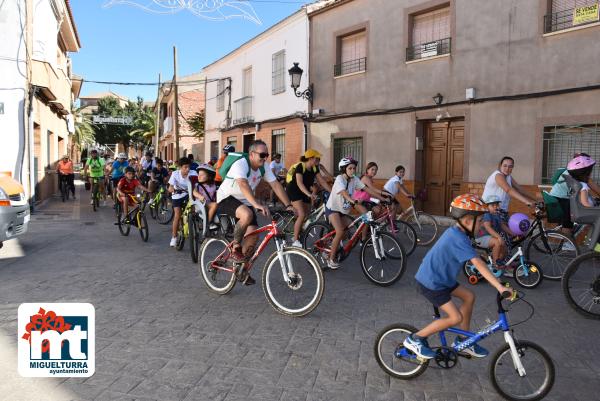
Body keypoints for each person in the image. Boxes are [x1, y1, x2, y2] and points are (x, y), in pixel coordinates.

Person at [402, 194, 513, 360]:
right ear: (468, 221)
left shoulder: (461, 234)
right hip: (431, 282)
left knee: (469, 296)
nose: (482, 224)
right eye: (481, 220)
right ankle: (415, 339)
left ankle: (464, 340)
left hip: (443, 280)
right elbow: (479, 265)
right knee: (455, 317)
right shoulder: (457, 238)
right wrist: (499, 287)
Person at [216, 140, 294, 285]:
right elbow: (243, 184)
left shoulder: (263, 167)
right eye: (262, 154)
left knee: (253, 236)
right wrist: (256, 204)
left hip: (245, 201)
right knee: (247, 214)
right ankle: (235, 249)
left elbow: (275, 185)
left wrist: (288, 205)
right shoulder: (241, 164)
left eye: (267, 154)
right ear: (252, 154)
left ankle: (241, 269)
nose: (265, 158)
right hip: (227, 197)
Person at [325, 157, 387, 270]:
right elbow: (343, 192)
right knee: (340, 231)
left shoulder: (354, 179)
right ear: (344, 169)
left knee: (347, 232)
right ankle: (330, 259)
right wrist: (352, 200)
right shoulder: (340, 178)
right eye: (350, 168)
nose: (353, 170)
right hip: (333, 209)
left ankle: (332, 243)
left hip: (343, 211)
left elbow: (368, 190)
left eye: (354, 168)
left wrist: (382, 199)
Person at [285, 149, 332, 247]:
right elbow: (299, 183)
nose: (318, 160)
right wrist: (309, 194)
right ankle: (295, 239)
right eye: (317, 158)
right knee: (301, 214)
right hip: (294, 190)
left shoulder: (315, 168)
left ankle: (297, 227)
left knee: (307, 215)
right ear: (310, 158)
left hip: (305, 191)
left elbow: (322, 182)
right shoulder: (300, 166)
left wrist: (332, 192)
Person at [550, 152, 600, 234]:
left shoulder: (571, 173)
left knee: (567, 221)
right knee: (568, 222)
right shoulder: (581, 180)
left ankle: (564, 239)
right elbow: (595, 190)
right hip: (562, 199)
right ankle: (567, 242)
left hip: (556, 197)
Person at [482, 157, 536, 221]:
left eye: (510, 166)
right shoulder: (498, 175)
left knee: (508, 229)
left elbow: (519, 189)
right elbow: (508, 189)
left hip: (502, 211)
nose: (507, 169)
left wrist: (536, 199)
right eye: (505, 166)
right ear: (500, 166)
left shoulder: (508, 177)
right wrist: (526, 201)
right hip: (490, 211)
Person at [168, 157, 198, 247]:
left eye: (188, 167)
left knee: (193, 211)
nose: (187, 169)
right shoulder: (175, 174)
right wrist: (173, 189)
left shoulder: (193, 173)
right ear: (180, 167)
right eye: (185, 167)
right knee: (177, 215)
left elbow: (196, 186)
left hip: (188, 195)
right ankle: (174, 237)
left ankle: (192, 226)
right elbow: (170, 187)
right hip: (177, 195)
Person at [476, 195, 512, 267]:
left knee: (504, 248)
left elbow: (502, 226)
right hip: (481, 237)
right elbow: (488, 227)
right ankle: (495, 264)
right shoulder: (487, 214)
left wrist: (513, 233)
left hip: (489, 237)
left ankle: (494, 260)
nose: (495, 207)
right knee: (497, 242)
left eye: (497, 205)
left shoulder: (496, 214)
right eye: (493, 205)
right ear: (487, 207)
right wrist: (499, 237)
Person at [193, 163, 218, 228]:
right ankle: (209, 222)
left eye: (202, 175)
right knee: (215, 205)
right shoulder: (197, 185)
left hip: (209, 204)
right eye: (198, 174)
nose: (199, 176)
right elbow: (194, 192)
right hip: (200, 204)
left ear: (209, 176)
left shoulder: (214, 185)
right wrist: (199, 196)